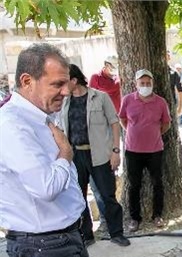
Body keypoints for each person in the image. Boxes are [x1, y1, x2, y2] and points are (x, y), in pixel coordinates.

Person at [0, 42, 94, 257]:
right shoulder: (12, 125)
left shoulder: (40, 116)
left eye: (66, 83)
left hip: (66, 235)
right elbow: (46, 186)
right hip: (44, 244)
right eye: (56, 84)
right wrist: (66, 155)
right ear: (27, 81)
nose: (65, 91)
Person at [59, 64, 130, 247]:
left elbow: (114, 123)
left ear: (74, 80)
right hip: (75, 156)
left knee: (107, 195)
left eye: (65, 81)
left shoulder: (100, 97)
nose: (62, 85)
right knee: (78, 196)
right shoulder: (64, 101)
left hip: (99, 154)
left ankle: (116, 233)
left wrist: (115, 151)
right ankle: (86, 235)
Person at [119, 69, 171, 232]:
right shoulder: (127, 100)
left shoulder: (161, 102)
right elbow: (122, 119)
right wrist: (133, 131)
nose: (145, 86)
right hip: (133, 150)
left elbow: (166, 123)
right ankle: (134, 218)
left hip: (154, 150)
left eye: (148, 83)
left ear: (152, 84)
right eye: (142, 83)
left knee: (157, 183)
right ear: (136, 84)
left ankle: (157, 215)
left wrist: (154, 134)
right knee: (134, 185)